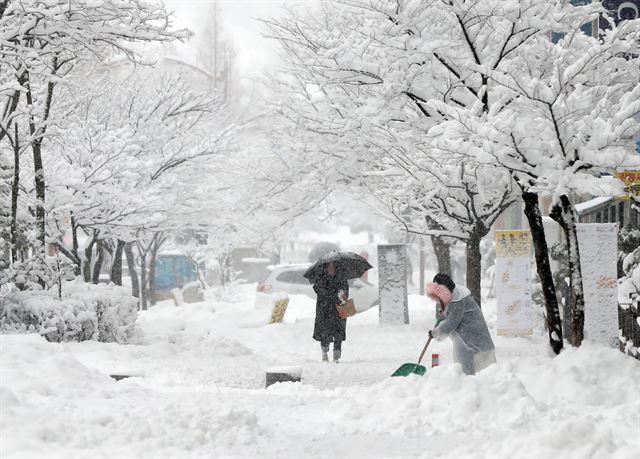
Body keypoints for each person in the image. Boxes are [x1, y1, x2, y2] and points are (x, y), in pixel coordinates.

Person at [427, 273, 496, 375]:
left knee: (474, 377)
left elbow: (451, 324)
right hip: (476, 343)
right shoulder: (455, 294)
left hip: (475, 346)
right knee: (479, 379)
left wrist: (435, 333)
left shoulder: (457, 301)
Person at [312, 262, 348, 362]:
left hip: (338, 309)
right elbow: (318, 290)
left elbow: (345, 291)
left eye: (333, 267)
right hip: (324, 310)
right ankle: (324, 352)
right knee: (324, 332)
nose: (331, 269)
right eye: (329, 267)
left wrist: (342, 295)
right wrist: (331, 294)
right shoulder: (321, 278)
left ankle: (336, 356)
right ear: (326, 268)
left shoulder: (341, 278)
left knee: (338, 332)